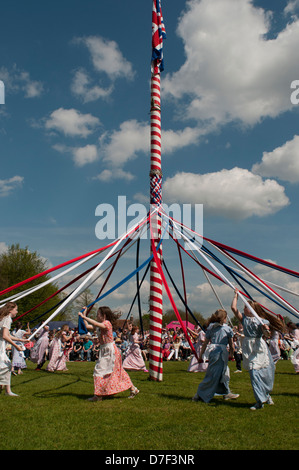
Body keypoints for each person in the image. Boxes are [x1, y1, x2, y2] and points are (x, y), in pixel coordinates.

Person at [231, 289, 285, 410]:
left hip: (259, 347)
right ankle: (259, 401)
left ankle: (266, 395)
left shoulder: (262, 320)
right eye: (244, 307)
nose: (244, 309)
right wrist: (236, 295)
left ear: (252, 309)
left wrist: (265, 329)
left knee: (265, 374)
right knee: (254, 374)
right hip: (249, 347)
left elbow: (267, 335)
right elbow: (233, 308)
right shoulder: (244, 319)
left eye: (246, 307)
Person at [78, 306, 139, 401]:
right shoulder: (100, 324)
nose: (97, 316)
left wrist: (84, 317)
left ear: (104, 316)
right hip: (106, 350)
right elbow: (87, 326)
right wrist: (84, 314)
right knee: (119, 372)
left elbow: (94, 323)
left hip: (111, 351)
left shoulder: (107, 323)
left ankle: (98, 396)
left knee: (99, 370)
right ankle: (133, 389)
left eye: (98, 314)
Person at [192, 308, 239, 403]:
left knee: (223, 373)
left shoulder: (211, 328)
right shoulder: (226, 329)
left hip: (214, 353)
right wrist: (231, 353)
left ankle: (226, 392)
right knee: (214, 374)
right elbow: (231, 344)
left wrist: (201, 356)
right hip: (220, 353)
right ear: (224, 318)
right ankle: (200, 393)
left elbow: (205, 343)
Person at [0, 302, 28, 396]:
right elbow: (5, 336)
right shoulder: (7, 319)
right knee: (6, 366)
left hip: (1, 345)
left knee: (6, 366)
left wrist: (20, 340)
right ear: (10, 310)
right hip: (1, 346)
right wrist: (16, 346)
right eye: (16, 309)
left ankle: (7, 390)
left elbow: (8, 335)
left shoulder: (5, 318)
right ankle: (6, 390)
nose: (17, 311)